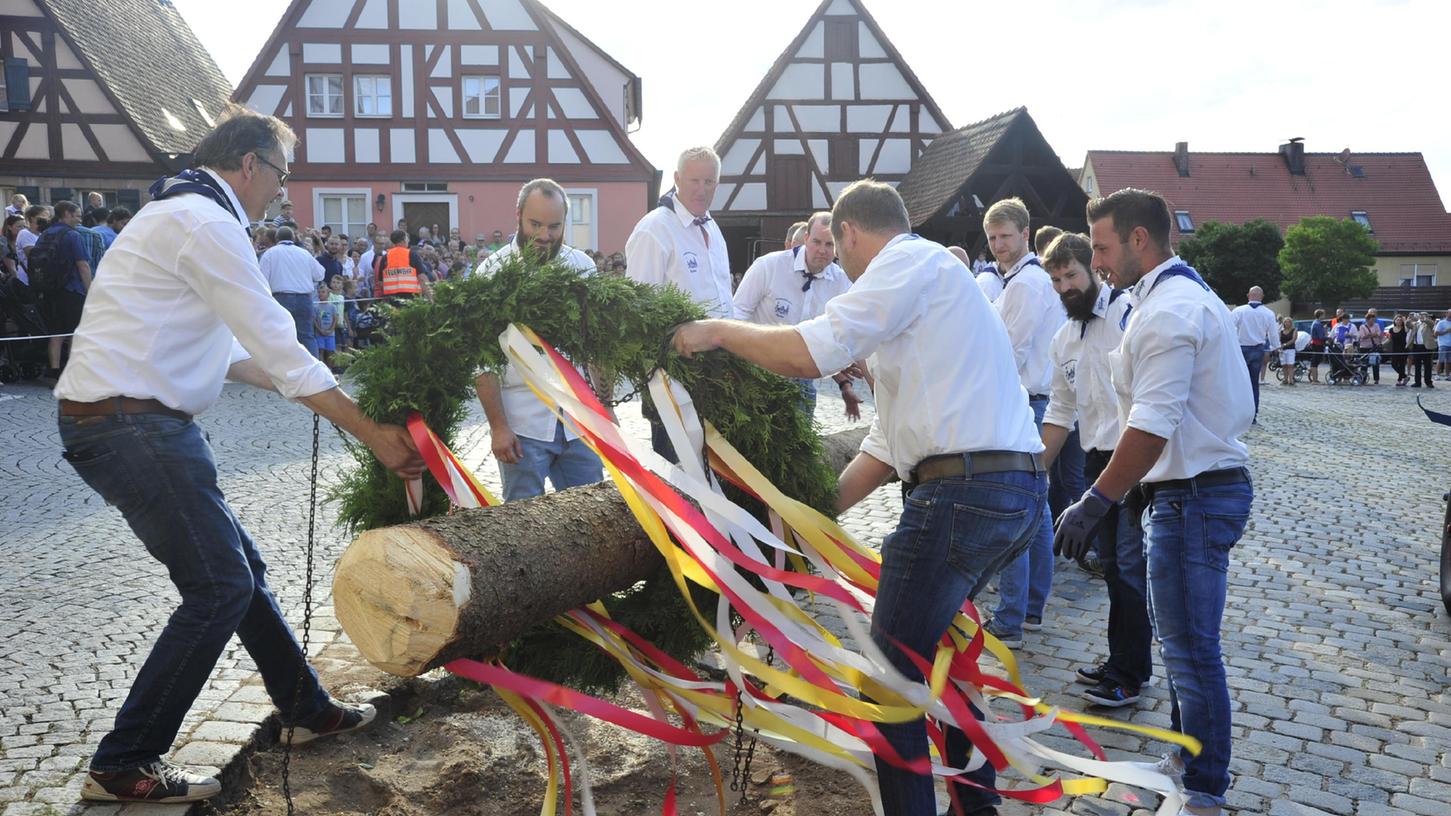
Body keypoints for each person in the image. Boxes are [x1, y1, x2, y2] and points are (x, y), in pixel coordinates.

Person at [54, 107, 424, 804]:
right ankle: (124, 758)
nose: (283, 191)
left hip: (135, 422)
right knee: (220, 587)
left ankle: (305, 710)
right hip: (129, 426)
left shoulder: (183, 214)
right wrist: (370, 431)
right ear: (249, 165)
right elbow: (280, 345)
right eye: (282, 175)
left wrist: (300, 386)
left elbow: (230, 352)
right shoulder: (206, 221)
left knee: (240, 573)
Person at [671, 179, 1045, 816]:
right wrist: (808, 521)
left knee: (888, 684)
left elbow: (812, 352)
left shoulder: (905, 261)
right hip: (1006, 491)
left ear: (848, 233)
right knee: (941, 654)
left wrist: (716, 332)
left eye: (840, 252)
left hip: (962, 497)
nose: (843, 267)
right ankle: (973, 806)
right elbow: (886, 440)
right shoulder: (929, 288)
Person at [1058, 188, 1254, 816]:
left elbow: (1152, 423)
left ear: (1140, 239)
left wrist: (1096, 499)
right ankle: (1187, 759)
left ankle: (1204, 789)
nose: (1099, 260)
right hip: (1181, 493)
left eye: (1103, 247)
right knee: (1181, 645)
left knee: (1193, 650)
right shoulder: (1160, 298)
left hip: (1192, 495)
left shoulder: (1170, 309)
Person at [1039, 232, 1151, 708]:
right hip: (1095, 460)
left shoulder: (1128, 318)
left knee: (1127, 566)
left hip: (1134, 458)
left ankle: (1129, 675)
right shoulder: (1063, 339)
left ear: (1093, 269)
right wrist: (1034, 473)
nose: (1065, 287)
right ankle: (1124, 659)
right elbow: (1060, 413)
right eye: (1057, 279)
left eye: (1072, 275)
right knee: (1111, 567)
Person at [474, 179, 605, 501]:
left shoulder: (583, 267)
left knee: (593, 519)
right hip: (522, 426)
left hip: (579, 421)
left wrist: (606, 407)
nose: (545, 236)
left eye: (554, 226)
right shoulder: (491, 272)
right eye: (535, 224)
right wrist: (498, 427)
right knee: (522, 529)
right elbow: (481, 361)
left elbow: (597, 346)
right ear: (518, 215)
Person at [982, 197, 1066, 648]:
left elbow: (1006, 353)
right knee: (1036, 508)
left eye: (1005, 237)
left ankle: (1012, 617)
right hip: (1035, 400)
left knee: (1016, 509)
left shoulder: (1025, 285)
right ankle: (1030, 609)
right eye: (993, 238)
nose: (998, 245)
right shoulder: (1023, 281)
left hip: (1024, 401)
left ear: (1024, 233)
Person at [626, 146, 733, 459]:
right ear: (676, 179)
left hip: (718, 374)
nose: (702, 190)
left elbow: (725, 300)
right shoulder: (654, 229)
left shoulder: (713, 228)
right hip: (672, 378)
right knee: (680, 475)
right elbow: (640, 311)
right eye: (694, 180)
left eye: (709, 182)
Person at [731, 211, 861, 418]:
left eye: (829, 244)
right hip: (757, 371)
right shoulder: (769, 266)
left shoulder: (842, 283)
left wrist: (844, 379)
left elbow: (838, 336)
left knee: (798, 445)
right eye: (817, 242)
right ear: (806, 238)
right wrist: (736, 367)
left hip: (802, 377)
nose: (822, 250)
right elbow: (737, 315)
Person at [34, 200, 93, 380]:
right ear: (67, 213)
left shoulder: (45, 233)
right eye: (77, 215)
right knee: (76, 332)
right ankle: (75, 371)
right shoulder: (72, 235)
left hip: (50, 290)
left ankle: (54, 372)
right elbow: (83, 265)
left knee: (57, 333)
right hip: (72, 289)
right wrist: (91, 291)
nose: (80, 219)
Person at [259, 226, 324, 356]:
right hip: (304, 299)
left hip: (280, 298)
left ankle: (282, 371)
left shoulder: (270, 253)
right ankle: (314, 372)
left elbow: (261, 279)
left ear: (276, 238)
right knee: (306, 337)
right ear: (293, 237)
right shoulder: (304, 253)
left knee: (280, 336)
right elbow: (320, 274)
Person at [1228, 286, 1277, 418]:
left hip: (1241, 348)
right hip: (1258, 349)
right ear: (1262, 297)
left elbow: (1229, 328)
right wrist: (1275, 348)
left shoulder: (1239, 311)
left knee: (1238, 382)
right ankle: (1252, 414)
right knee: (1254, 383)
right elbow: (1273, 335)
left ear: (1248, 295)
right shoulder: (1268, 313)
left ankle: (1237, 412)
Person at [376, 229, 428, 301]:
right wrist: (430, 297)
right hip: (411, 299)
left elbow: (380, 282)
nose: (408, 240)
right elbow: (422, 278)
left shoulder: (386, 257)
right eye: (407, 238)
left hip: (391, 300)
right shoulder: (412, 255)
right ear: (404, 240)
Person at [314, 281, 338, 366]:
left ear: (328, 294)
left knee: (330, 352)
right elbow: (314, 320)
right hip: (319, 334)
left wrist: (331, 330)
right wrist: (320, 330)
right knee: (321, 351)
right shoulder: (316, 307)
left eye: (323, 292)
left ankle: (330, 369)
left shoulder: (332, 307)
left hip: (330, 334)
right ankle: (322, 369)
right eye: (319, 292)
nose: (321, 294)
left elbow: (335, 319)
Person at [1357, 309, 1383, 384]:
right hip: (1364, 347)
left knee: (1375, 363)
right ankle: (1363, 378)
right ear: (1367, 320)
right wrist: (1372, 334)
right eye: (1371, 320)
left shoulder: (1376, 325)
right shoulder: (1362, 326)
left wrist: (1369, 335)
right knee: (1364, 364)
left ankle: (1376, 379)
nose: (1373, 321)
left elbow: (1378, 334)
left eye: (1374, 319)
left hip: (1374, 347)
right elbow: (1363, 336)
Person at [1410, 312, 1436, 388]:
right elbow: (1408, 325)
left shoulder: (1429, 323)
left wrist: (1424, 319)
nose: (1422, 316)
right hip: (1416, 346)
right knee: (1417, 366)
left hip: (1426, 347)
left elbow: (1431, 323)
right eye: (1421, 315)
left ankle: (1428, 382)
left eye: (1424, 315)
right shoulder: (1416, 324)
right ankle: (1417, 382)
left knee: (1428, 365)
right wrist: (1410, 319)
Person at [1305, 308, 1327, 383]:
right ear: (1320, 315)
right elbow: (1321, 337)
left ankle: (1313, 375)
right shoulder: (1318, 324)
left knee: (1316, 361)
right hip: (1317, 344)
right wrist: (1328, 337)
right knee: (1315, 362)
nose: (1324, 316)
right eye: (1323, 314)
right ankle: (1314, 379)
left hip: (1316, 344)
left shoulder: (1316, 323)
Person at [1388, 313, 1408, 386]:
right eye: (1397, 320)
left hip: (1403, 349)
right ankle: (1405, 376)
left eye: (1400, 320)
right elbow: (1389, 339)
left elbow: (1407, 330)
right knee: (1394, 364)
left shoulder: (1404, 329)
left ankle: (1400, 380)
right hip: (1395, 349)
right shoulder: (1391, 329)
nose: (1399, 321)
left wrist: (1405, 321)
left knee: (1402, 365)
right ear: (1394, 321)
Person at [1277, 316, 1297, 386]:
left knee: (1290, 365)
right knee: (1284, 365)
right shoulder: (1281, 331)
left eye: (1289, 322)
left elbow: (1293, 340)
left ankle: (1291, 380)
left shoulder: (1294, 330)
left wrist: (1285, 344)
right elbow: (1278, 339)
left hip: (1290, 349)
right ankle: (1285, 379)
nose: (1287, 323)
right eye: (1285, 322)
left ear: (1291, 323)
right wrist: (1279, 346)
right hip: (1282, 350)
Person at [1437, 309, 1451, 379]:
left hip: (1450, 344)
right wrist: (1446, 331)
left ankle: (1447, 375)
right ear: (1446, 313)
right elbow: (1436, 333)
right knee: (1440, 360)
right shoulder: (1441, 322)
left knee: (1449, 361)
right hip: (1443, 344)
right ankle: (1437, 375)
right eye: (1450, 313)